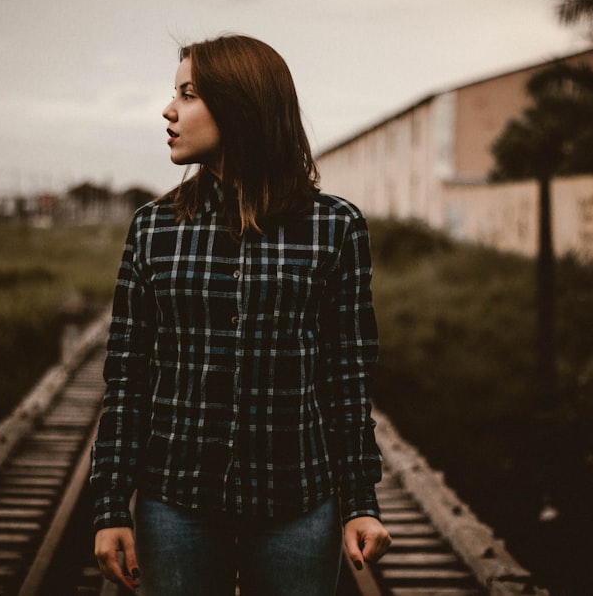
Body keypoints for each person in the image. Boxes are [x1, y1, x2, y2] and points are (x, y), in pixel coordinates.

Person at [90, 34, 390, 595]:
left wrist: (359, 502)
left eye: (188, 94)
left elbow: (346, 376)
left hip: (297, 505)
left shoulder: (335, 228)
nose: (168, 109)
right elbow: (127, 376)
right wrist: (110, 505)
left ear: (240, 105)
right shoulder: (153, 228)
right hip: (175, 505)